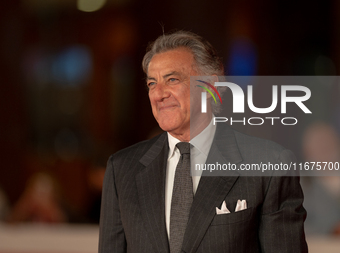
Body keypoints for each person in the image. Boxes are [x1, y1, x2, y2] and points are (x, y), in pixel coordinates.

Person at [99, 30, 308, 253]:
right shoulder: (121, 168)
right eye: (152, 83)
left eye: (172, 79)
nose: (158, 94)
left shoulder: (268, 163)